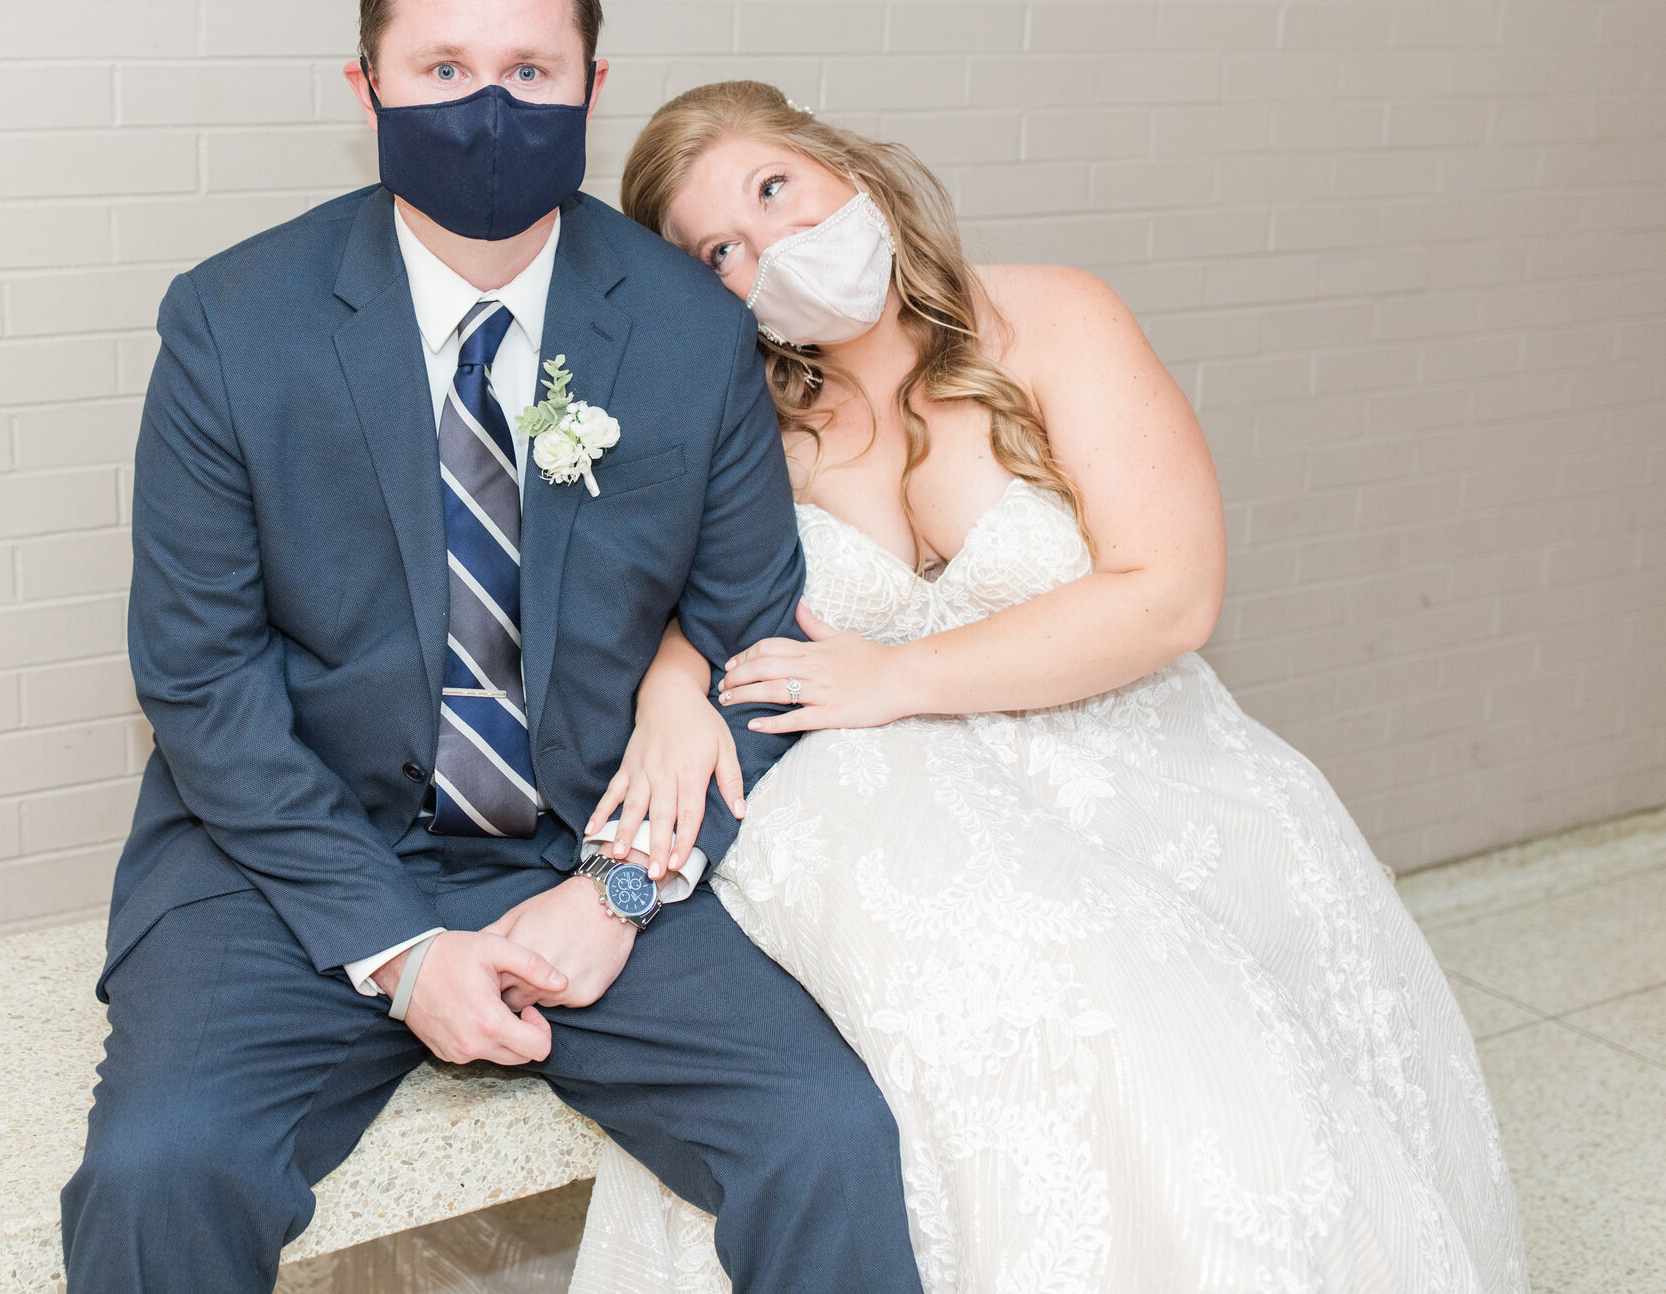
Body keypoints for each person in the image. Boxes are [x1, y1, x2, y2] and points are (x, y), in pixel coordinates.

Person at [59, 0, 926, 1294]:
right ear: (368, 91)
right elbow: (200, 678)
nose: (487, 103)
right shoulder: (235, 321)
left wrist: (621, 889)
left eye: (530, 70)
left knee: (825, 1136)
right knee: (157, 1174)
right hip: (285, 857)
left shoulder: (691, 328)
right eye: (443, 67)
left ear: (591, 85)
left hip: (588, 844)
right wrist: (397, 946)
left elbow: (755, 637)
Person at [568, 81, 1531, 1294]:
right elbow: (684, 594)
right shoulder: (752, 413)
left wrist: (901, 673)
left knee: (1196, 1064)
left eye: (775, 192)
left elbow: (1170, 591)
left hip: (1129, 754)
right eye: (723, 248)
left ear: (845, 167)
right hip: (895, 811)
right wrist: (668, 690)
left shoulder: (1054, 318)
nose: (769, 249)